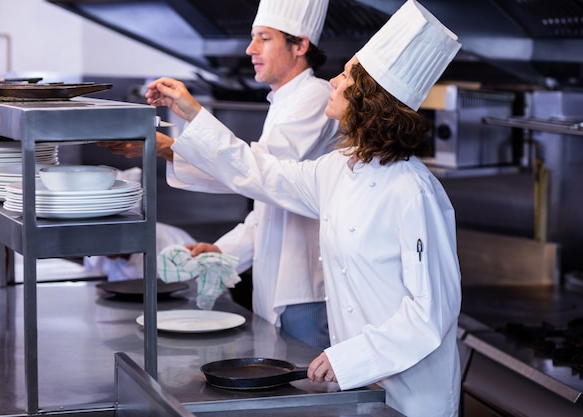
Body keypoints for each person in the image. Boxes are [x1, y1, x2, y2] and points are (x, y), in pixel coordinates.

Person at [141, 1, 463, 416]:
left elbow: (430, 313)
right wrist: (191, 114)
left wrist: (350, 358)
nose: (333, 80)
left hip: (414, 396)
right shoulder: (337, 171)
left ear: (370, 99)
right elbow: (260, 172)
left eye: (346, 76)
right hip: (362, 384)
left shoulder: (413, 191)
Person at [105, 0, 337, 350]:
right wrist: (222, 251)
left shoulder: (316, 96)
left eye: (264, 38)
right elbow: (265, 200)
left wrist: (173, 142)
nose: (250, 49)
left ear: (300, 45)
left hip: (305, 286)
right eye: (252, 38)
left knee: (309, 393)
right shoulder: (283, 101)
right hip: (275, 282)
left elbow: (257, 173)